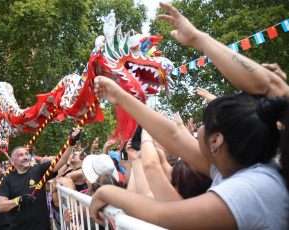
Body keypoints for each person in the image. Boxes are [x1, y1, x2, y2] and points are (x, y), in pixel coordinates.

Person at [88, 3, 289, 229]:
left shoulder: (253, 189)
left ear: (216, 141)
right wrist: (121, 96)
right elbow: (172, 135)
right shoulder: (235, 165)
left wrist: (105, 191)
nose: (195, 132)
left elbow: (164, 215)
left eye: (206, 121)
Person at [0, 128, 81, 230]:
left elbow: (61, 160)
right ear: (12, 161)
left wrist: (71, 143)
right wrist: (20, 200)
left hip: (42, 226)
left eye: (26, 154)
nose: (25, 157)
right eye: (20, 155)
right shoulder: (7, 179)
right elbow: (1, 206)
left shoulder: (38, 170)